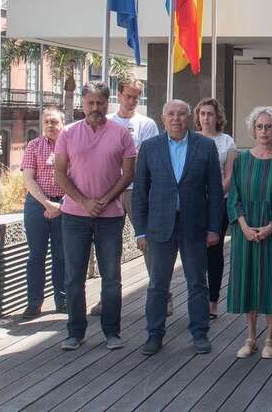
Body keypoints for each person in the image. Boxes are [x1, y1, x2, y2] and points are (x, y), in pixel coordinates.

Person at [132, 99, 223, 355]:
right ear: (163, 119)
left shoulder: (205, 146)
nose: (176, 119)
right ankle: (154, 335)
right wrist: (140, 230)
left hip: (194, 225)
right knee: (158, 284)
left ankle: (199, 333)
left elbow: (215, 191)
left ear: (189, 118)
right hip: (159, 226)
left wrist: (214, 228)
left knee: (197, 282)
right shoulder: (150, 147)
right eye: (170, 114)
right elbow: (140, 192)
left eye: (181, 114)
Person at [54, 81, 136, 351]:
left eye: (100, 103)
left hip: (111, 215)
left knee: (111, 276)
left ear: (107, 103)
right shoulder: (67, 133)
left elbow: (129, 174)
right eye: (90, 103)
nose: (95, 108)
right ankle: (75, 333)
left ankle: (112, 332)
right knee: (73, 276)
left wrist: (105, 200)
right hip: (74, 215)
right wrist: (84, 201)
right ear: (83, 103)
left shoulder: (122, 134)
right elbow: (60, 174)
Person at [228, 106, 272, 359]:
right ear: (253, 129)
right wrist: (244, 226)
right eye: (260, 126)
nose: (264, 130)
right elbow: (234, 196)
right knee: (248, 281)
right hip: (245, 232)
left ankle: (270, 338)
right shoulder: (242, 159)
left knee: (271, 281)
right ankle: (250, 338)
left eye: (269, 126)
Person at [90, 78, 161, 317]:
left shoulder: (147, 124)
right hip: (109, 192)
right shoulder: (107, 121)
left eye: (136, 97)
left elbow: (146, 157)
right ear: (119, 95)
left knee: (147, 242)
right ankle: (106, 299)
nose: (132, 101)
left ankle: (162, 294)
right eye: (128, 96)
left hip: (137, 191)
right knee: (109, 246)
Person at [21, 106, 66, 319]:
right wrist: (47, 203)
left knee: (62, 256)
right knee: (36, 256)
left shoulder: (71, 146)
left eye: (54, 122)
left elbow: (78, 177)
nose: (50, 125)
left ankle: (62, 300)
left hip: (65, 207)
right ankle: (34, 303)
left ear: (62, 124)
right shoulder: (33, 146)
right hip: (37, 205)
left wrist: (61, 204)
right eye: (47, 121)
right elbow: (28, 179)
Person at [194, 98, 237, 320]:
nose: (206, 117)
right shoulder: (191, 140)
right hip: (194, 205)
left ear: (217, 116)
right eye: (202, 113)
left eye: (210, 113)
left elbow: (230, 176)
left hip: (219, 203)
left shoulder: (226, 141)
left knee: (214, 251)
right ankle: (197, 298)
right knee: (195, 253)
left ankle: (213, 301)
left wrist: (214, 196)